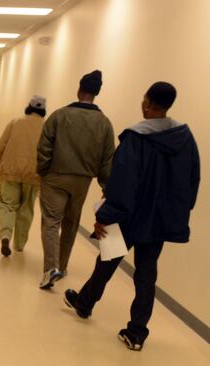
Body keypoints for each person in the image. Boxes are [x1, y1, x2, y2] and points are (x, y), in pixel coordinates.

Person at [63, 82, 200, 351]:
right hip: (158, 220)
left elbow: (122, 183)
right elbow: (192, 179)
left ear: (147, 102)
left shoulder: (136, 138)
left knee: (107, 260)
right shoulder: (185, 139)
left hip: (128, 217)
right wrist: (178, 212)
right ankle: (136, 332)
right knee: (146, 274)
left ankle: (85, 304)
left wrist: (105, 215)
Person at [37, 70, 116, 289]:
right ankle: (61, 266)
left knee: (51, 221)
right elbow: (107, 158)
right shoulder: (104, 123)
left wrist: (43, 170)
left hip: (55, 176)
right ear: (97, 93)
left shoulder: (59, 116)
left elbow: (44, 146)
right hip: (82, 181)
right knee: (71, 223)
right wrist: (106, 186)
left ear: (79, 89)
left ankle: (49, 268)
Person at [0, 96, 47, 257]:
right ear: (43, 110)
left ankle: (6, 235)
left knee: (7, 205)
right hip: (34, 174)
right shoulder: (47, 126)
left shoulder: (15, 123)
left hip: (10, 172)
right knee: (26, 208)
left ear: (28, 107)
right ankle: (19, 245)